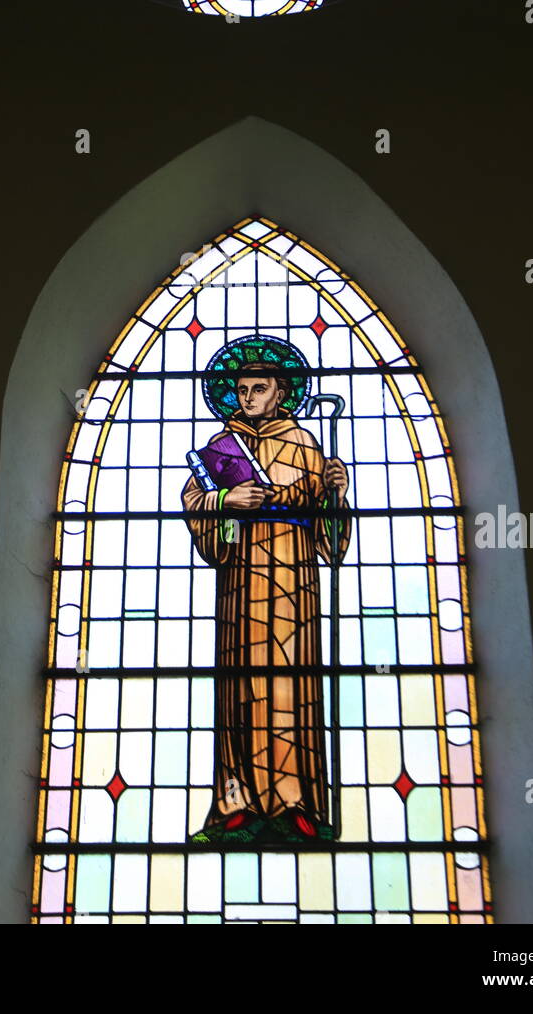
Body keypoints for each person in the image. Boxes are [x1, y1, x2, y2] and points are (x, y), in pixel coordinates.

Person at [181, 359, 350, 844]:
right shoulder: (220, 449)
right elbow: (199, 508)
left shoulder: (305, 445)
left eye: (260, 388)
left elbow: (329, 537)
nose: (249, 397)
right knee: (240, 684)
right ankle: (236, 805)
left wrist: (337, 491)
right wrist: (225, 504)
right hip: (240, 579)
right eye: (242, 389)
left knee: (289, 681)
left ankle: (295, 803)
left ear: (281, 394)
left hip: (294, 577)